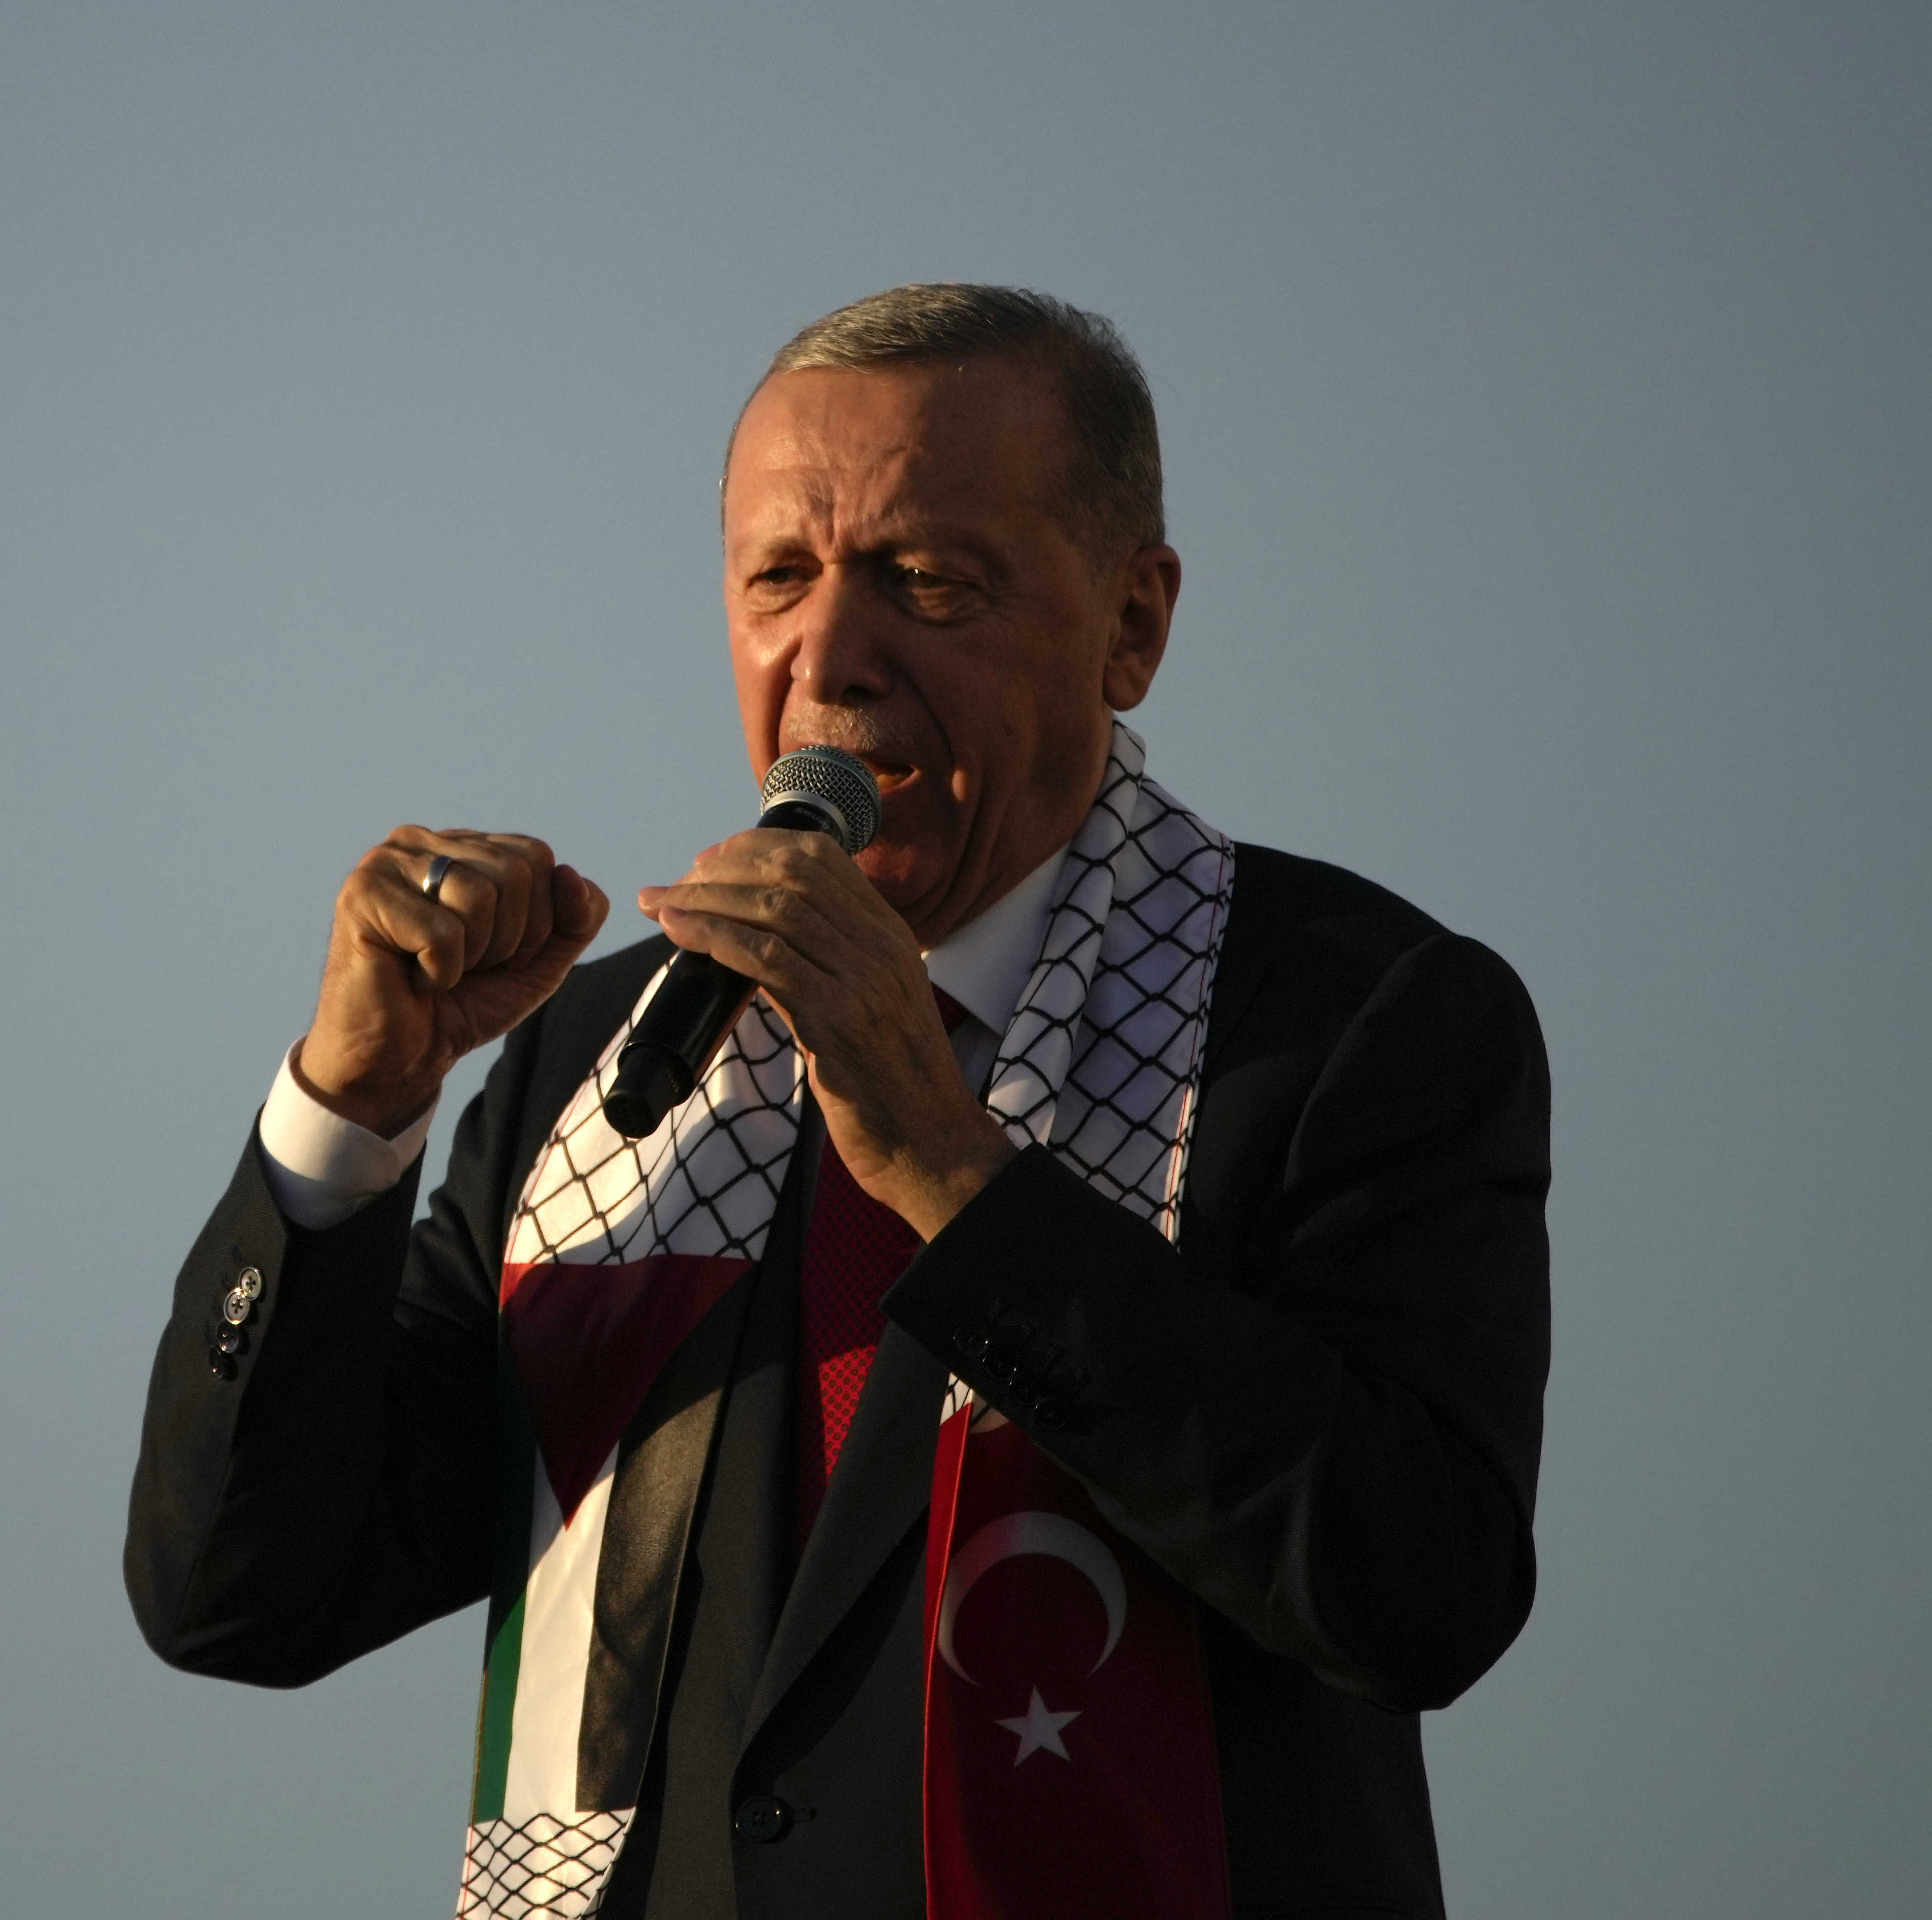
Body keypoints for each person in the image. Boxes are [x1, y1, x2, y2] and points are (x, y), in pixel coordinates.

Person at [124, 284, 1551, 1920]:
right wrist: (346, 1125)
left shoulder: (1352, 1018)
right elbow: (240, 1599)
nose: (832, 659)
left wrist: (956, 1173)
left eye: (926, 581)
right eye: (776, 581)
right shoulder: (607, 1061)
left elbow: (1416, 1590)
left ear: (1132, 623)